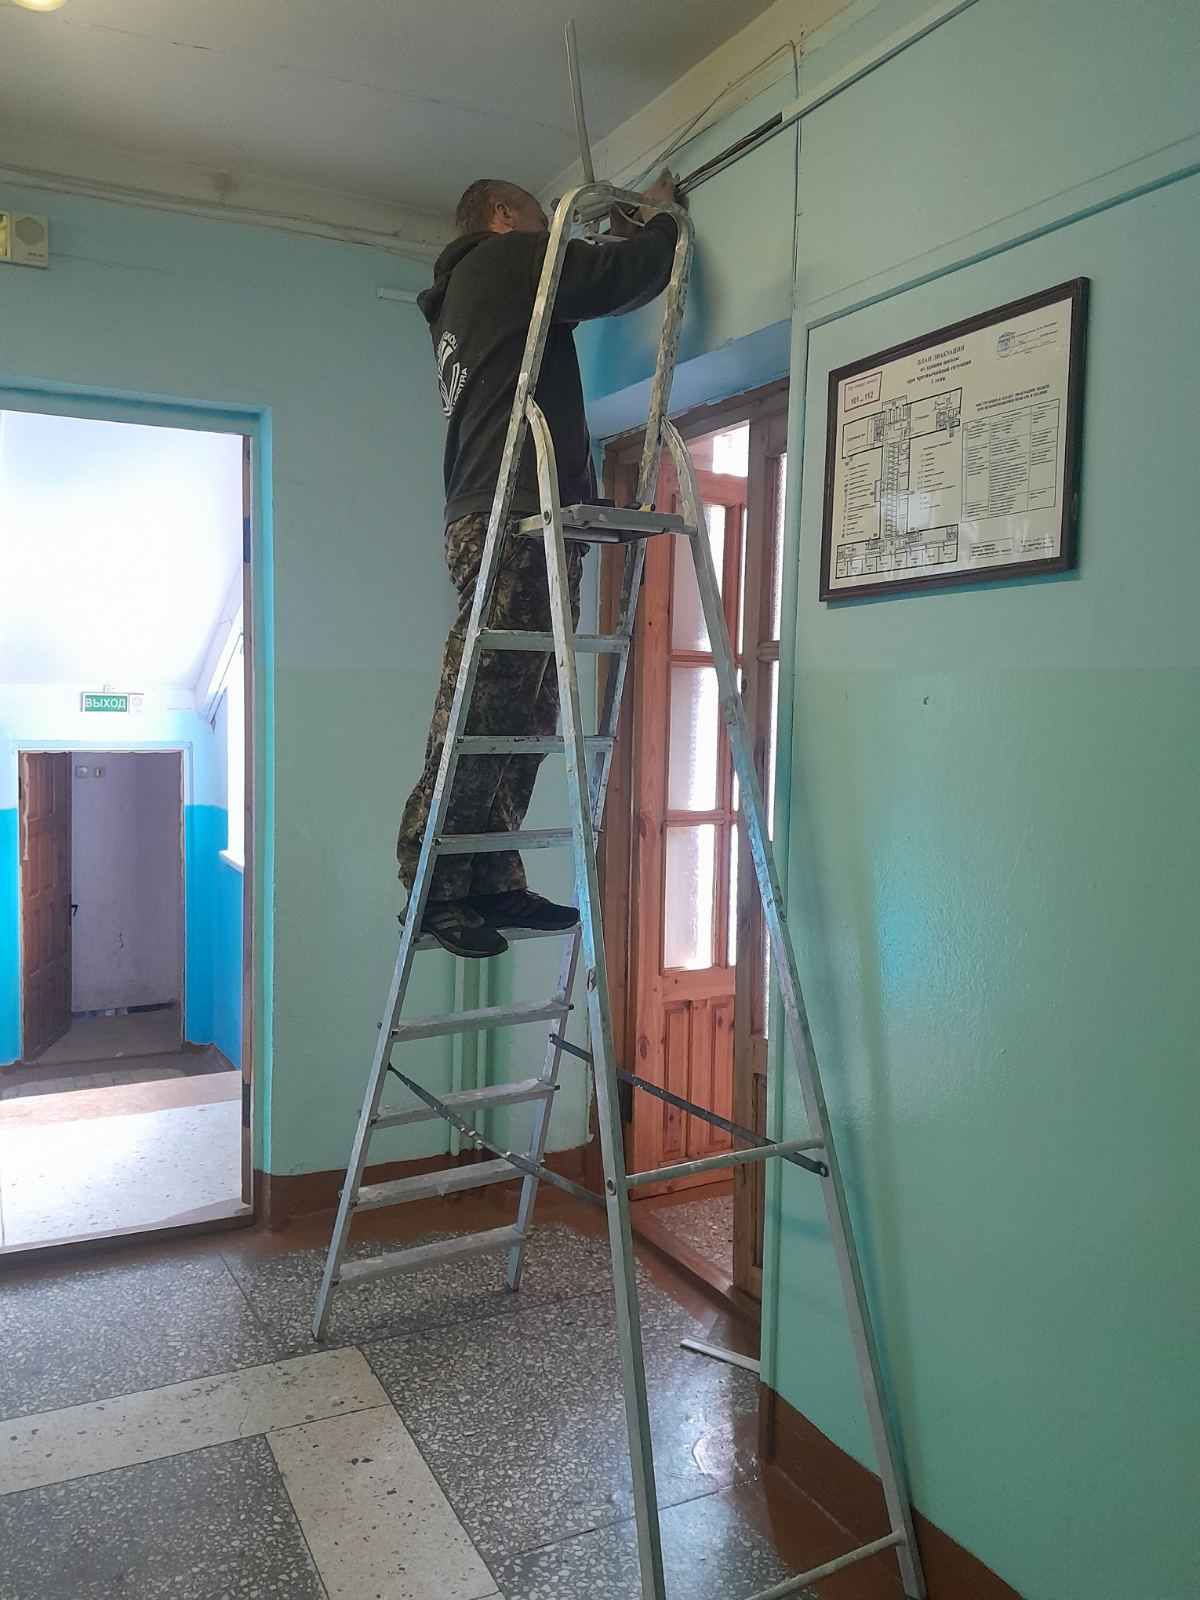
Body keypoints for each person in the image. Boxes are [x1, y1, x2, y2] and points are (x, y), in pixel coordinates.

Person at [397, 170, 682, 957]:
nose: (549, 227)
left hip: (514, 507)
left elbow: (581, 287)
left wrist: (618, 234)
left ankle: (491, 876)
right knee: (485, 701)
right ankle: (433, 883)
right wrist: (660, 224)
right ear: (500, 216)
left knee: (527, 708)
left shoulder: (476, 289)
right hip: (511, 509)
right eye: (536, 214)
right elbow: (619, 278)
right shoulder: (504, 258)